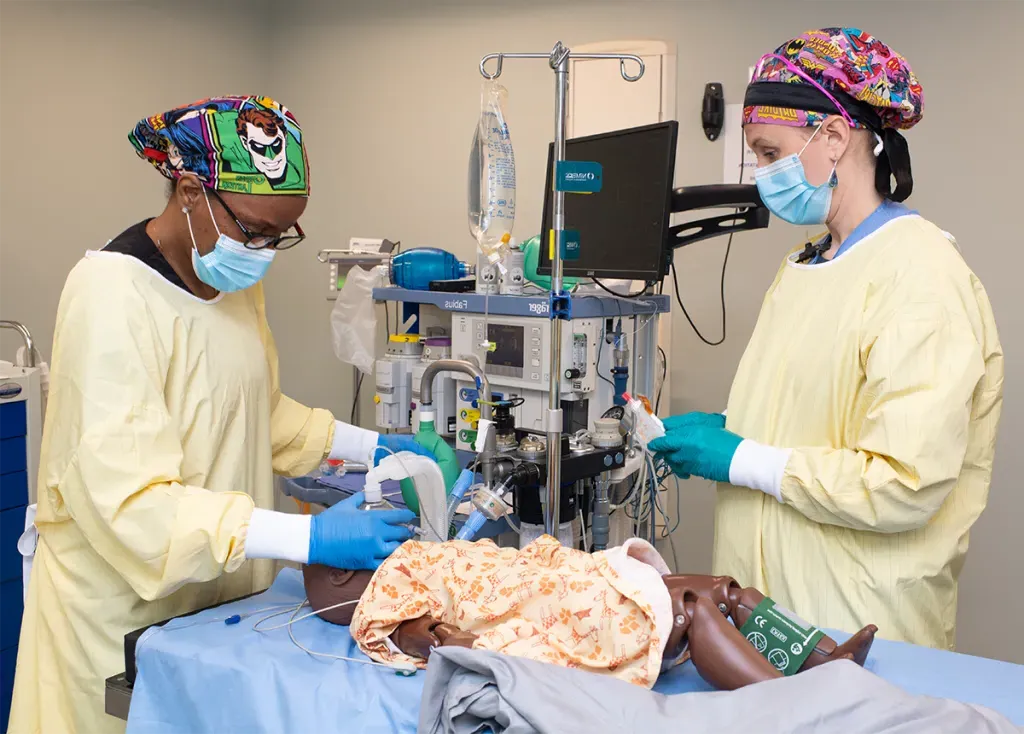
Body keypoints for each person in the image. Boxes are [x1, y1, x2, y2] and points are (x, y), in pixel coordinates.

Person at [9, 95, 434, 734]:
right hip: (119, 620)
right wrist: (310, 538)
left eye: (279, 236)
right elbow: (133, 505)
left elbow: (256, 413)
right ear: (187, 191)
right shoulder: (109, 296)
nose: (263, 251)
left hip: (215, 607)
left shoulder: (233, 284)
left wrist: (380, 448)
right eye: (254, 231)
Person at [650, 29, 1003, 651]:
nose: (761, 175)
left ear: (834, 138)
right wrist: (735, 427)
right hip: (771, 612)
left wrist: (738, 457)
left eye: (768, 153)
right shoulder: (807, 264)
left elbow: (903, 480)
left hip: (855, 621)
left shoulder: (919, 275)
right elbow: (824, 417)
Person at [301, 533, 876, 690]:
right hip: (556, 607)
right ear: (338, 576)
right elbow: (436, 638)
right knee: (693, 610)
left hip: (555, 578)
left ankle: (823, 658)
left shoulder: (412, 556)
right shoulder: (384, 595)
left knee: (724, 589)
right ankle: (792, 698)